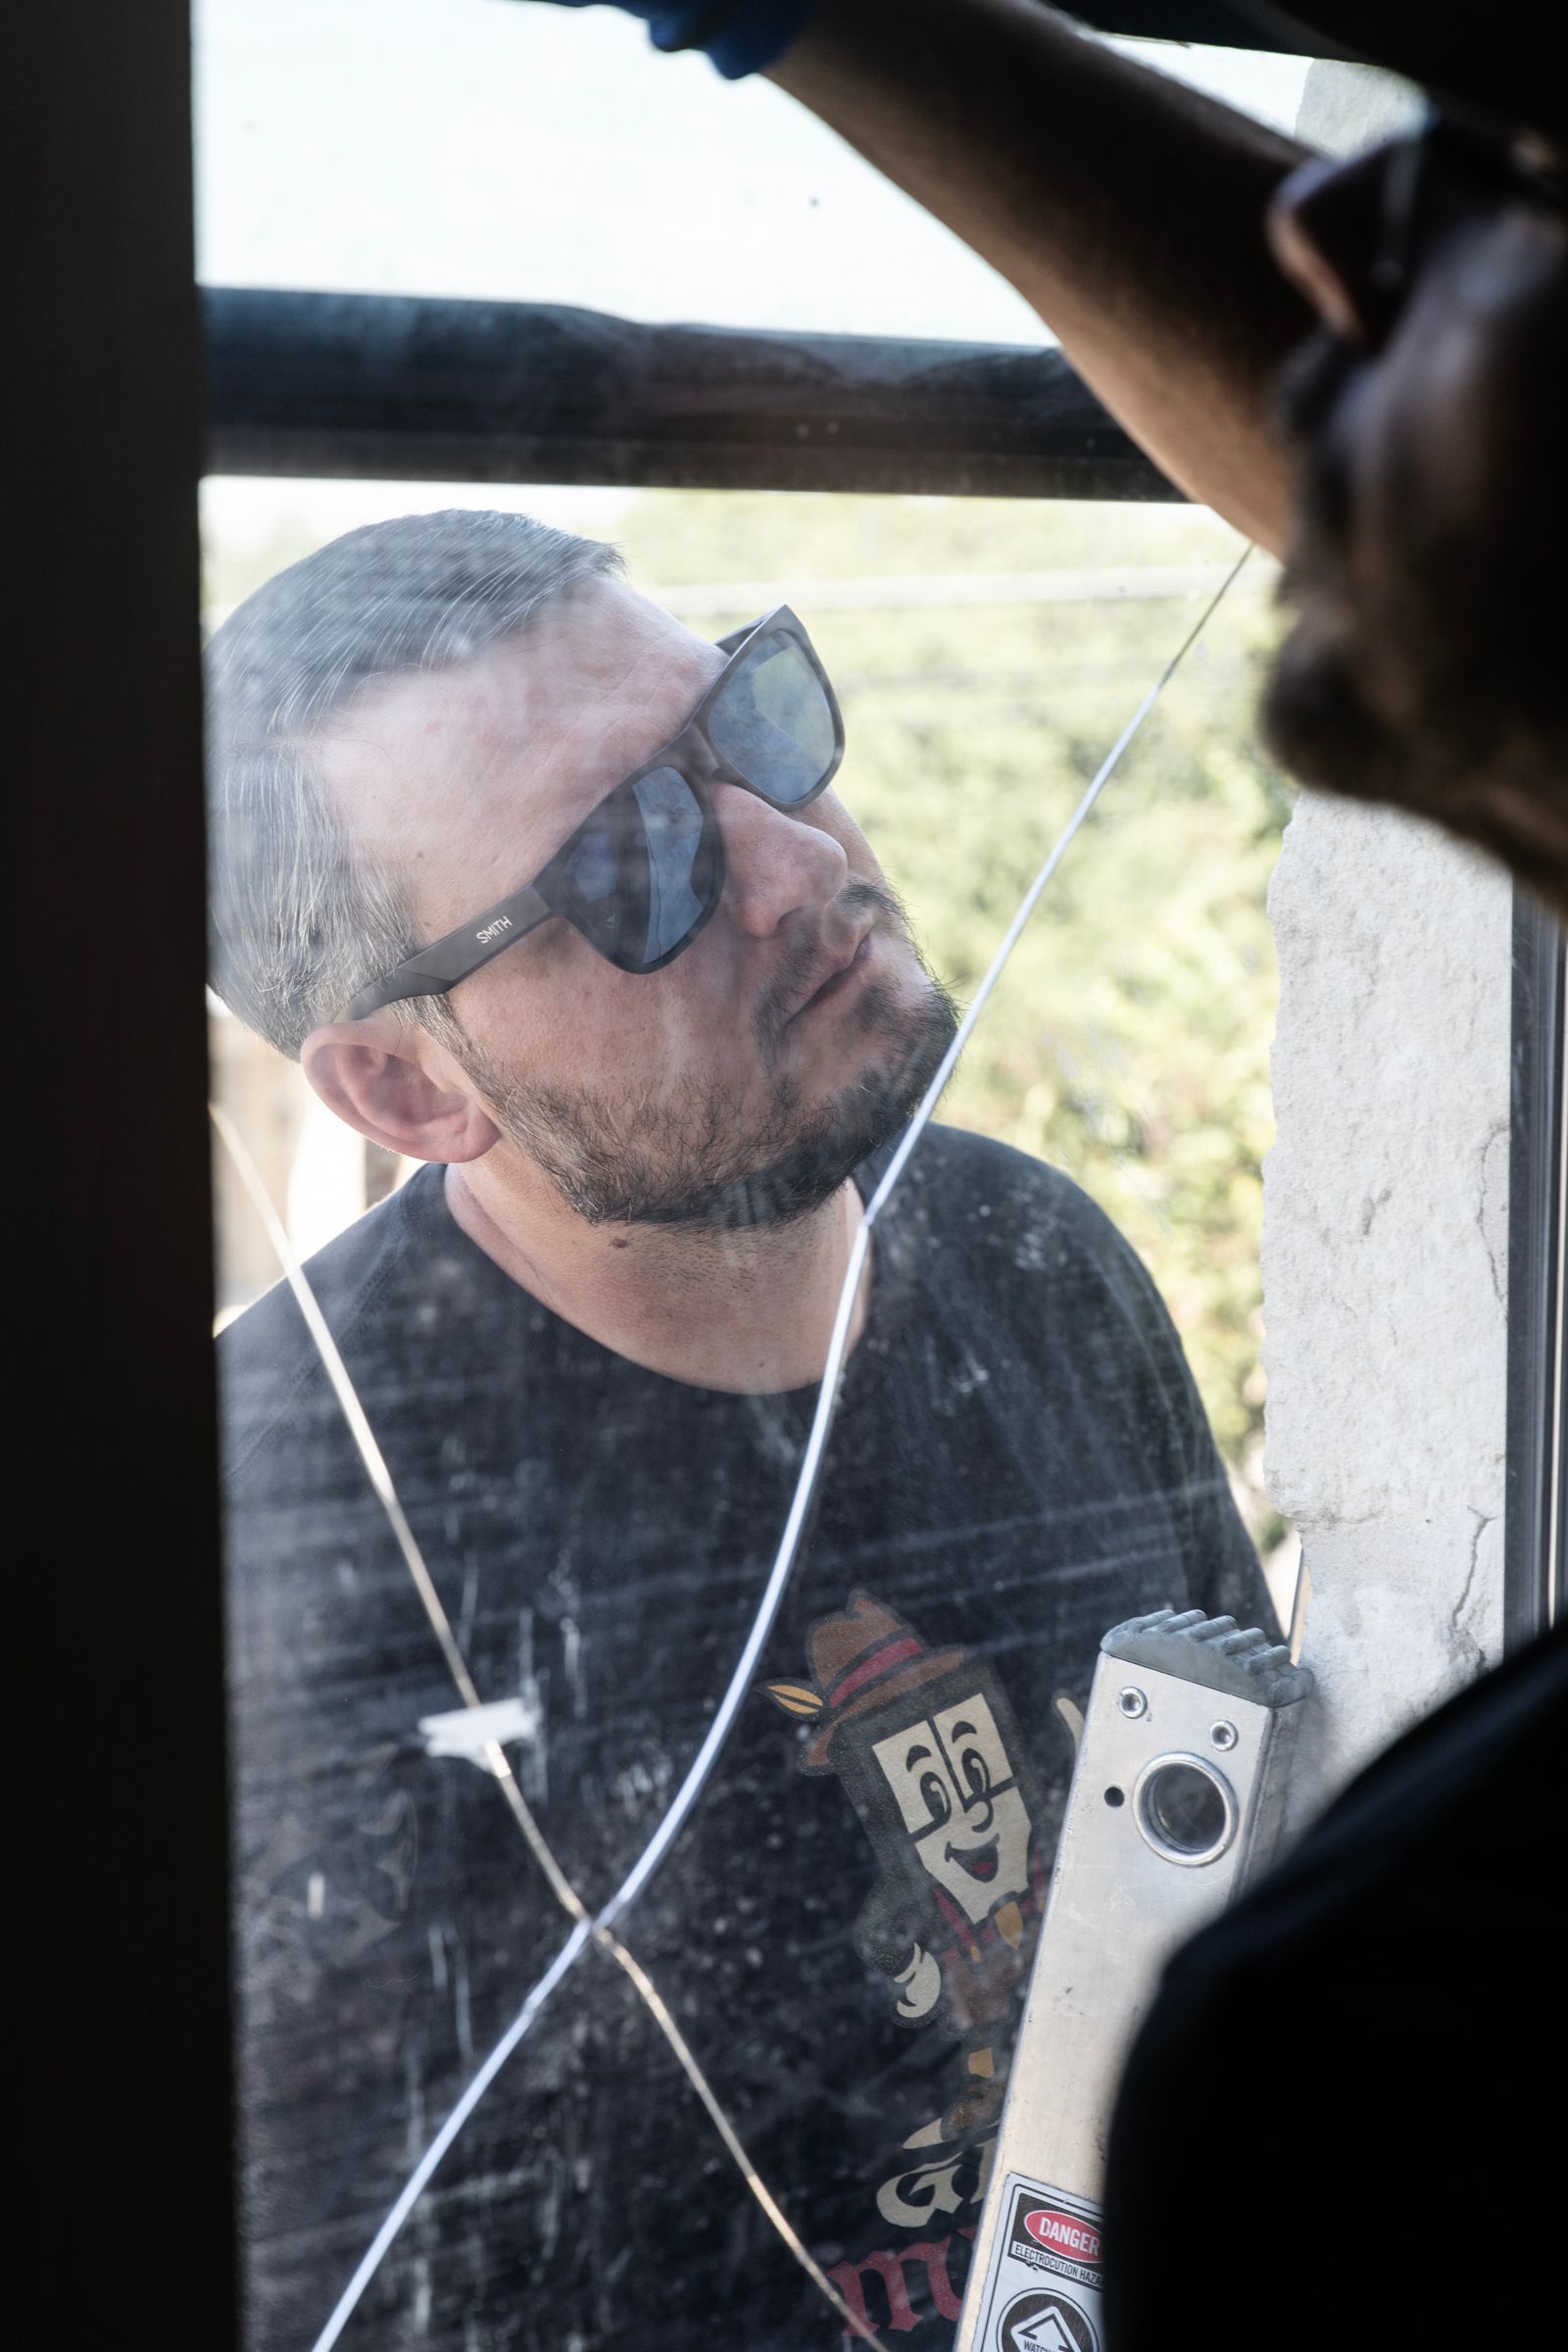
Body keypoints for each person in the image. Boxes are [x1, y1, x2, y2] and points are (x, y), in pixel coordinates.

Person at [548, 3, 1568, 2343]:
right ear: (398, 1083)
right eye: (619, 860)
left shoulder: (1395, 2040)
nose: (1310, 218)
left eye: (1498, 171)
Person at [209, 509, 1275, 2351]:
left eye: (758, 729)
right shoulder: (262, 1541)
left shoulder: (1038, 1261)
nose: (796, 863)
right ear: (403, 1084)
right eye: (632, 866)